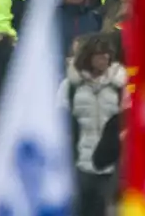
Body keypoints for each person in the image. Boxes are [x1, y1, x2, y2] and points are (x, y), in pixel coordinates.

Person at [58, 34, 126, 216]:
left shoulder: (120, 85)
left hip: (112, 164)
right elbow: (61, 120)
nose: (105, 59)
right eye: (99, 55)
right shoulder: (70, 87)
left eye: (107, 55)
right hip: (80, 164)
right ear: (88, 57)